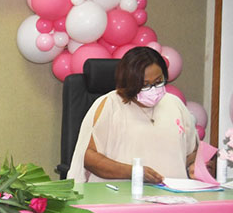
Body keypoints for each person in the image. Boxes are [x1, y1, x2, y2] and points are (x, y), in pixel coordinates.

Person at [68, 46, 198, 183]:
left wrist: (197, 165)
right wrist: (133, 172)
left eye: (158, 82)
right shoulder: (109, 105)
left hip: (172, 193)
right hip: (119, 193)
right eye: (145, 85)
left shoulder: (175, 104)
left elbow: (190, 153)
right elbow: (88, 158)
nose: (153, 89)